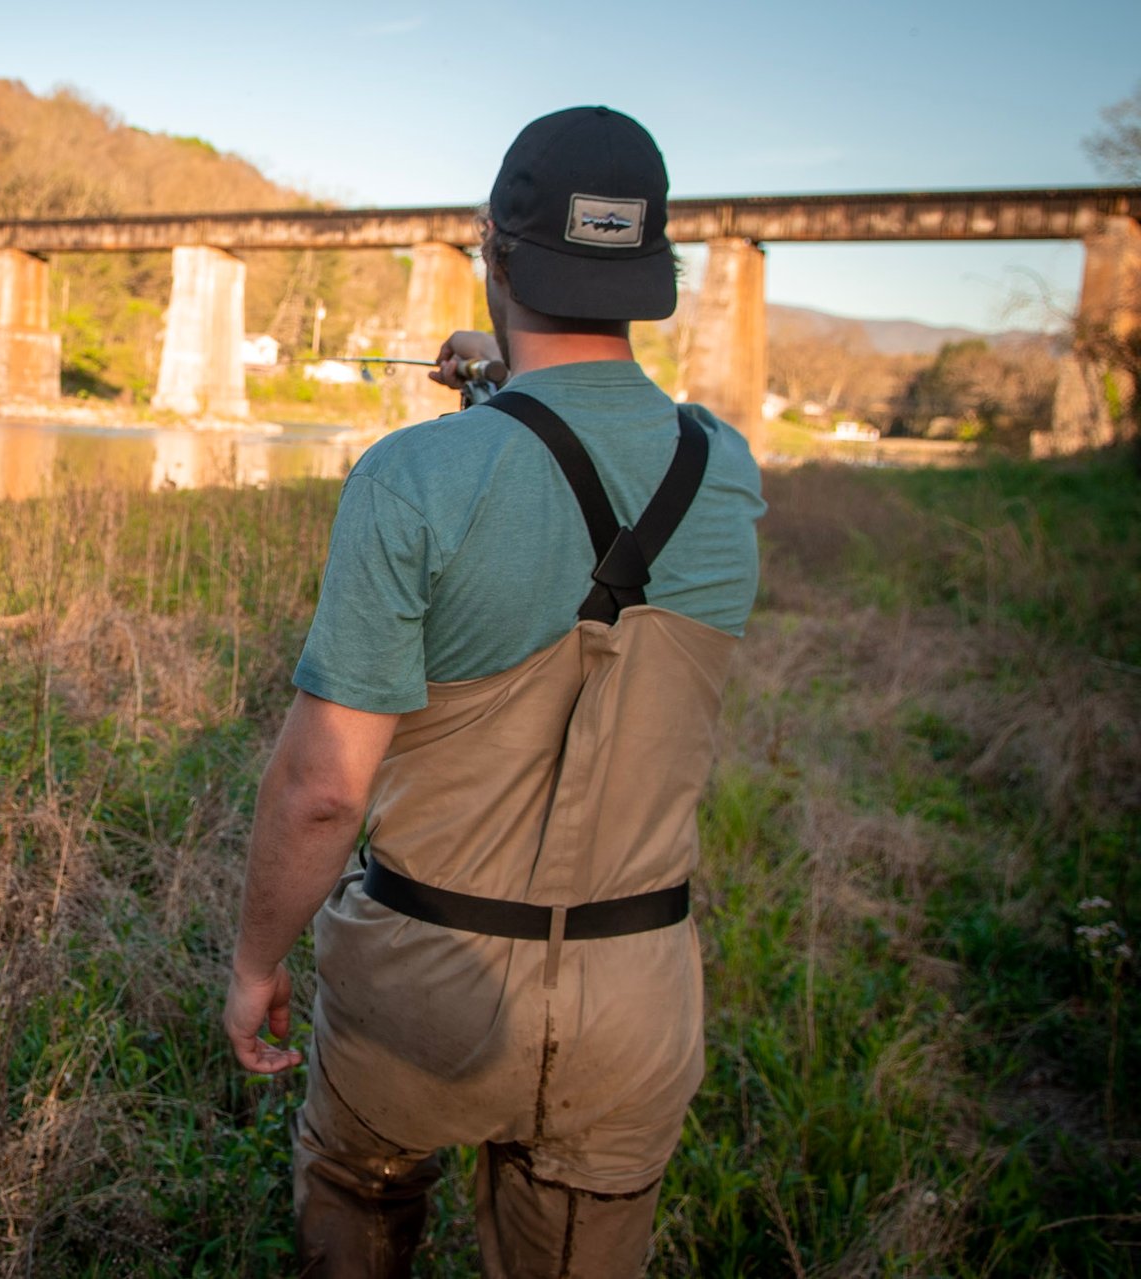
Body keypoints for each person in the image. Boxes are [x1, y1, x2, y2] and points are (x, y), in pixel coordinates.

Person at [221, 106, 766, 1277]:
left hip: (422, 986)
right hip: (636, 997)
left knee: (356, 1217)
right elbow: (589, 485)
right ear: (653, 275)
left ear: (492, 251)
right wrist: (511, 378)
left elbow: (323, 792)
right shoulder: (727, 474)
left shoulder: (412, 477)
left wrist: (256, 961)